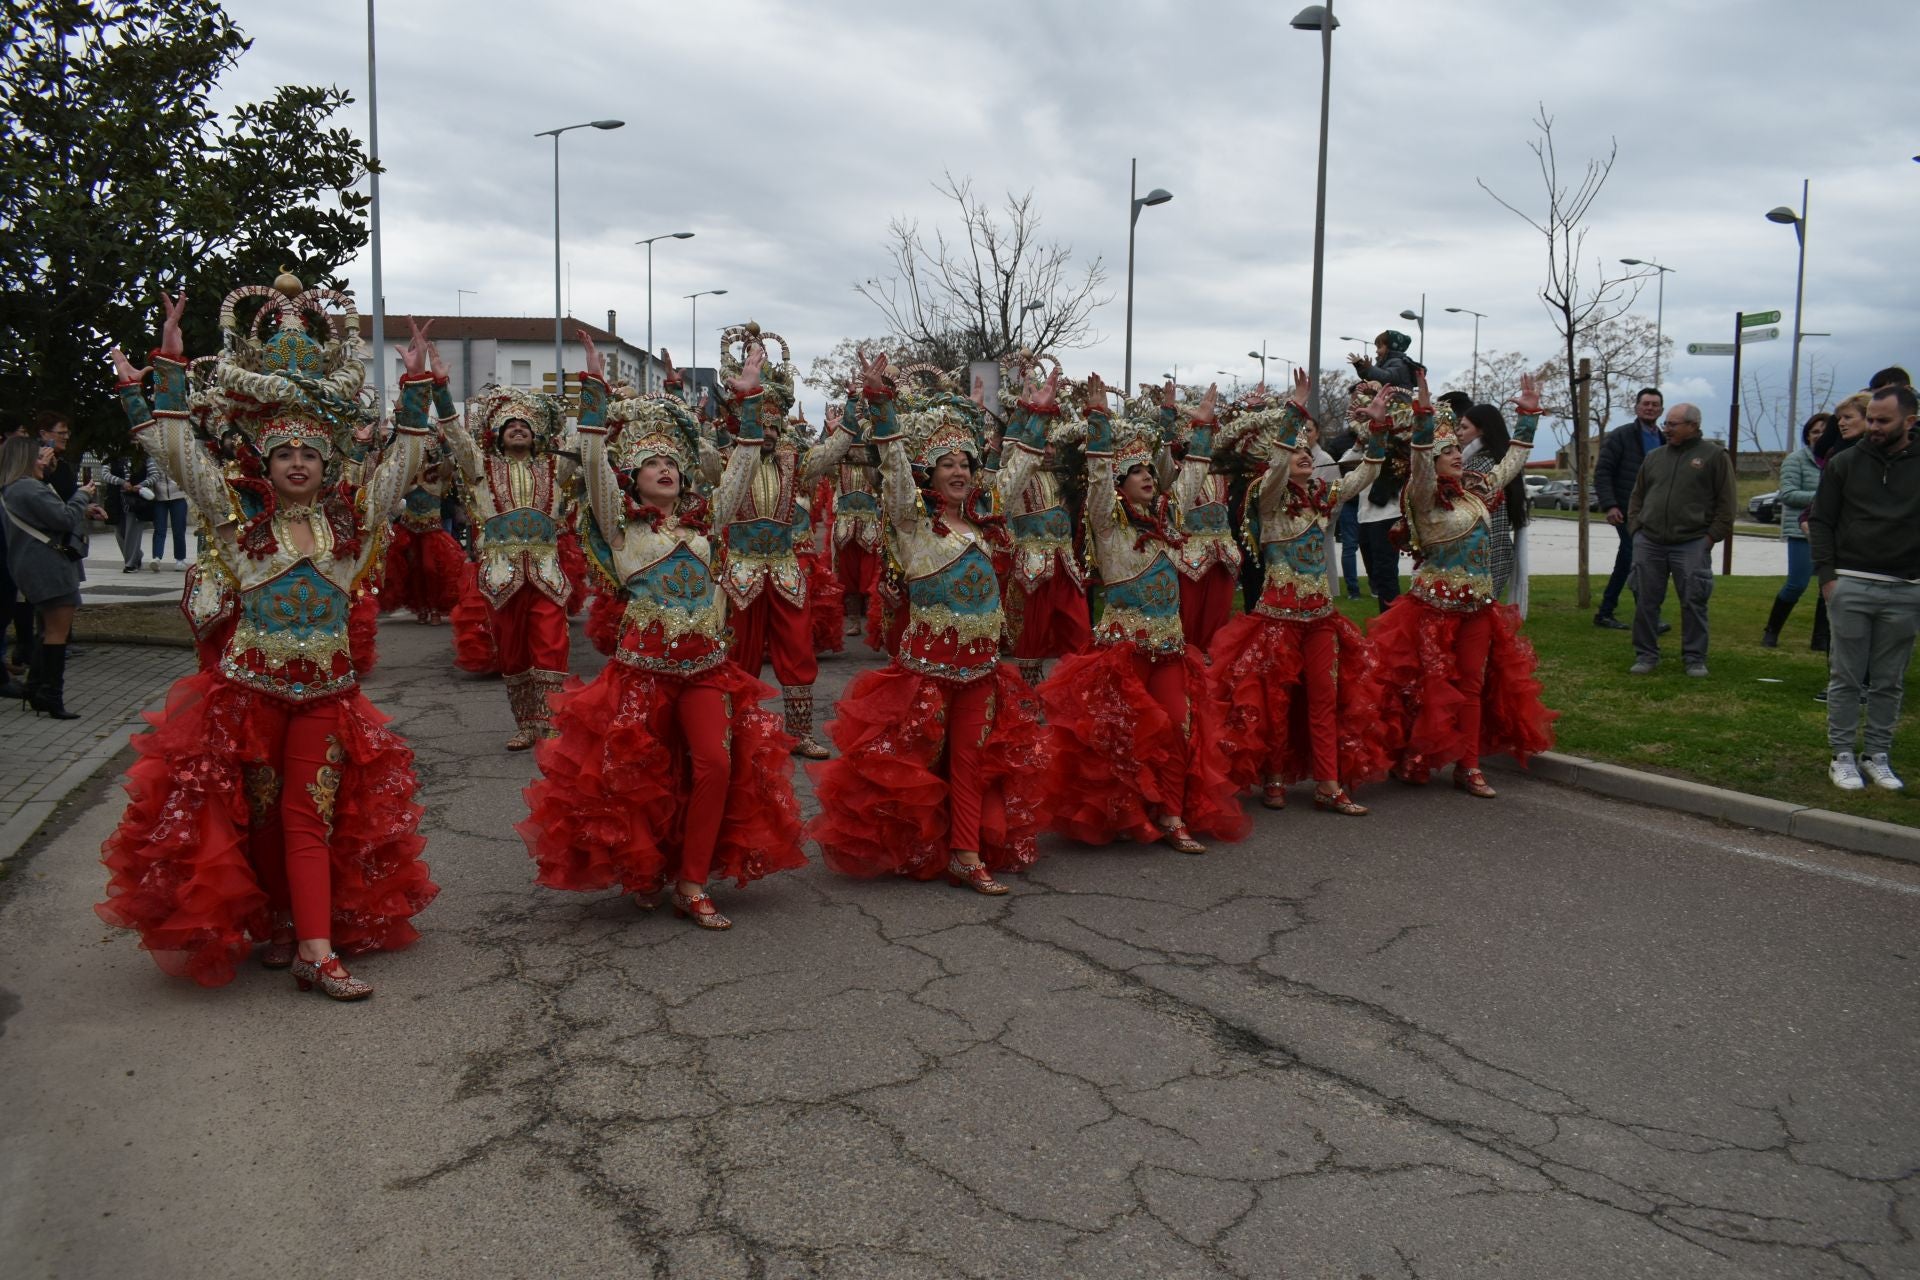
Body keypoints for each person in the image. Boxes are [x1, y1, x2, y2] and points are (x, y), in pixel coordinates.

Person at [97, 283, 438, 996]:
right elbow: (182, 456)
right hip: (248, 700)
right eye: (283, 454)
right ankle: (279, 922)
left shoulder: (352, 530)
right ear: (267, 464)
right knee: (257, 818)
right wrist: (163, 370)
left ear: (327, 463)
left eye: (310, 453)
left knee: (307, 816)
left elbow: (403, 465)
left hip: (325, 699)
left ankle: (316, 950)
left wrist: (415, 388)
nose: (297, 463)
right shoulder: (239, 527)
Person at [519, 334, 806, 928]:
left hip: (705, 670)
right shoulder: (622, 529)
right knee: (639, 775)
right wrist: (593, 391)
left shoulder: (705, 524)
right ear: (633, 478)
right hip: (642, 673)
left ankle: (692, 882)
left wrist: (749, 400)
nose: (666, 470)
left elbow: (741, 468)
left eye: (672, 463)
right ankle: (644, 867)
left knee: (715, 766)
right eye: (653, 464)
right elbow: (593, 465)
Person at [809, 351, 1049, 895]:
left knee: (969, 759)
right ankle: (916, 845)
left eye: (966, 463)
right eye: (947, 464)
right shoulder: (913, 525)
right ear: (929, 474)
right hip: (927, 673)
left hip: (982, 670)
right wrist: (881, 404)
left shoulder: (987, 524)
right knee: (915, 764)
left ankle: (965, 854)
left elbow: (1018, 471)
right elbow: (894, 471)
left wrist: (1035, 416)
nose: (959, 471)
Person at [1039, 375, 1249, 853]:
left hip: (1170, 648)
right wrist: (1098, 421)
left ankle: (1172, 814)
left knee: (1176, 725)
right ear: (1120, 484)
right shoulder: (1107, 525)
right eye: (1136, 472)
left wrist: (1202, 427)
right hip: (1122, 652)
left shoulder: (1169, 520)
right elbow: (1096, 480)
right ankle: (1126, 811)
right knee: (1124, 732)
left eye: (1150, 471)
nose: (1148, 477)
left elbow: (1191, 476)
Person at [1366, 373, 1556, 797]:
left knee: (1471, 685)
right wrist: (1423, 418)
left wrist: (1528, 416)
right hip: (1432, 609)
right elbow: (1419, 464)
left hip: (1478, 608)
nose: (1456, 455)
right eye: (1447, 451)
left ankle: (1468, 768)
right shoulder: (1423, 497)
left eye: (1457, 448)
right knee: (1428, 684)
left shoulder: (1476, 492)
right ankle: (1415, 757)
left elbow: (1512, 462)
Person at [1210, 370, 1391, 814]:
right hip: (1278, 618)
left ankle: (1328, 783)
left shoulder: (1323, 496)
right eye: (1295, 451)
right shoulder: (1268, 498)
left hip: (1321, 618)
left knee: (1324, 698)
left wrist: (1377, 427)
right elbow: (1275, 470)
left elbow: (1368, 471)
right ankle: (1273, 776)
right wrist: (1295, 406)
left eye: (1307, 449)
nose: (1305, 454)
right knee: (1276, 700)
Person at [709, 324, 853, 759]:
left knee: (797, 649)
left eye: (775, 426)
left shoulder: (794, 460)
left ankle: (799, 733)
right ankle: (739, 730)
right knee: (739, 652)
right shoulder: (727, 460)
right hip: (740, 570)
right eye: (762, 424)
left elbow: (830, 454)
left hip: (786, 569)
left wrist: (850, 416)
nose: (768, 433)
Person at [441, 366, 577, 749]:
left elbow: (586, 439)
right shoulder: (482, 469)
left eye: (525, 425)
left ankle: (550, 723)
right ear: (497, 435)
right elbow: (455, 436)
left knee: (552, 645)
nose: (518, 429)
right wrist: (438, 387)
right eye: (510, 425)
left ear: (537, 435)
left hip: (546, 574)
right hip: (501, 576)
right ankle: (526, 723)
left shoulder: (555, 468)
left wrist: (596, 389)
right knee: (513, 651)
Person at [1809, 384, 1920, 792]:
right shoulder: (1844, 462)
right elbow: (1821, 520)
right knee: (1846, 677)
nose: (1873, 426)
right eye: (1870, 419)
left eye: (1883, 421)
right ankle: (1841, 755)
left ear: (1910, 421)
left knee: (1889, 680)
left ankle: (1877, 755)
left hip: (1906, 587)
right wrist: (1828, 577)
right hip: (1851, 583)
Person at [1625, 402, 1736, 677]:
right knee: (1645, 601)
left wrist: (1709, 538)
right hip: (1649, 541)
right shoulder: (1654, 457)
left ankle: (1694, 658)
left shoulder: (1714, 456)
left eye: (1673, 424)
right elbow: (1637, 496)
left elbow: (1727, 504)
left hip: (1692, 542)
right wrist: (1636, 529)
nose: (1667, 429)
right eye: (1666, 423)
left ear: (1693, 426)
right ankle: (1646, 655)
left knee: (1694, 601)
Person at [996, 369, 1092, 685]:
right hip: (1032, 564)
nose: (1049, 451)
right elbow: (1011, 454)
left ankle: (1074, 690)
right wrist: (1027, 411)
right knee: (1031, 637)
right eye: (1044, 444)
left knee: (1080, 633)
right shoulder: (1020, 475)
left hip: (1066, 565)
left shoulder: (1064, 478)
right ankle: (1029, 690)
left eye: (1053, 446)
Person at [1, 434, 105, 717]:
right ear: (24, 460)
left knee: (47, 630)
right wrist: (83, 494)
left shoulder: (13, 489)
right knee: (57, 632)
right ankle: (51, 696)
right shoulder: (28, 488)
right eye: (38, 458)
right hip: (49, 566)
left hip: (32, 565)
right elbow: (64, 517)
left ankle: (36, 689)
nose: (43, 463)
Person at [1592, 388, 1666, 631]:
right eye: (1646, 403)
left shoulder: (1664, 440)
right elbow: (1603, 472)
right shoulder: (1620, 436)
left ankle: (1605, 612)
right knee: (1636, 557)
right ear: (1636, 407)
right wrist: (1610, 505)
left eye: (1655, 404)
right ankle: (1649, 616)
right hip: (1626, 510)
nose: (1650, 408)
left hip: (1653, 513)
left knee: (1628, 559)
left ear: (1661, 410)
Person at [1763, 413, 1833, 648]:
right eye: (1815, 432)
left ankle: (1821, 638)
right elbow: (1788, 494)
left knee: (1828, 584)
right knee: (1797, 583)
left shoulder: (1838, 459)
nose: (1819, 436)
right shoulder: (1796, 460)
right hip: (1802, 531)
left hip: (1832, 531)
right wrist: (1826, 497)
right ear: (1807, 436)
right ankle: (1772, 630)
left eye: (1824, 431)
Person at [1451, 394, 1528, 602]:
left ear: (1482, 430)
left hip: (1480, 560)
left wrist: (1528, 418)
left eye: (1464, 427)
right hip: (1489, 556)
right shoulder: (1486, 460)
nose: (1459, 433)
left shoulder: (1480, 465)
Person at [1339, 385, 1407, 611]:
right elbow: (1345, 463)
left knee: (1386, 575)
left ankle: (1391, 623)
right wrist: (1360, 440)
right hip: (1365, 515)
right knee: (1376, 576)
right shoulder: (1366, 441)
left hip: (1387, 514)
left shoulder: (1398, 439)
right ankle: (1386, 621)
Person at [380, 445, 465, 625]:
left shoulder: (437, 471)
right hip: (409, 530)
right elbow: (388, 477)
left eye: (422, 450)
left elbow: (450, 464)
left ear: (429, 452)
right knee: (414, 569)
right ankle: (422, 608)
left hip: (431, 531)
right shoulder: (406, 474)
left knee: (430, 569)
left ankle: (434, 607)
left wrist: (445, 443)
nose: (418, 454)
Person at [102, 448, 150, 572]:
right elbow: (105, 474)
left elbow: (154, 475)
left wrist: (142, 484)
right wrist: (121, 482)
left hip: (136, 500)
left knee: (132, 532)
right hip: (116, 499)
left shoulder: (144, 454)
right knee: (119, 532)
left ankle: (130, 564)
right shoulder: (111, 455)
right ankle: (136, 555)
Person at [1348, 331, 1420, 389]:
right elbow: (1370, 378)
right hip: (1386, 399)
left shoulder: (1400, 363)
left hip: (1398, 400)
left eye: (1379, 347)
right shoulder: (1382, 363)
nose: (1377, 351)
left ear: (1391, 347)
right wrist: (1360, 366)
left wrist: (1370, 368)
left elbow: (1387, 378)